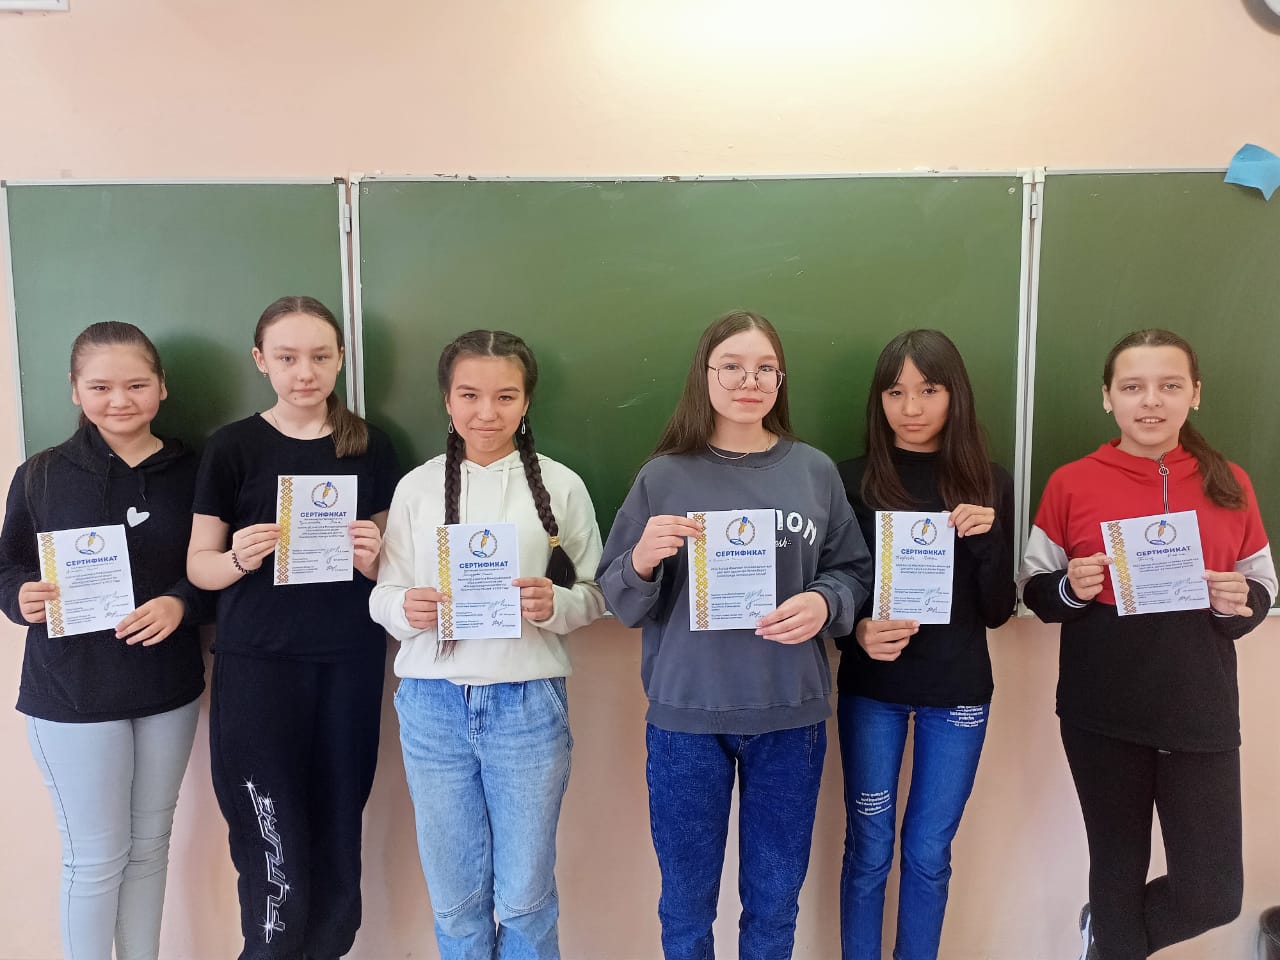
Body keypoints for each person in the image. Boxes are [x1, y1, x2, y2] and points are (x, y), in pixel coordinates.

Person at [597, 310, 872, 960]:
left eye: (765, 369)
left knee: (774, 904)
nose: (750, 381)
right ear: (705, 374)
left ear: (780, 379)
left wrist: (825, 601)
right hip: (687, 719)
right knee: (686, 907)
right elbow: (618, 598)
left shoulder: (814, 471)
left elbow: (854, 572)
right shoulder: (663, 476)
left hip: (789, 715)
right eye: (733, 367)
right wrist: (643, 559)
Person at [1019, 329, 1275, 960]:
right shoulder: (1072, 483)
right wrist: (1071, 587)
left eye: (1169, 385)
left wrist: (1240, 601)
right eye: (1132, 386)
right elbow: (1032, 586)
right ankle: (1110, 931)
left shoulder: (1231, 482)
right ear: (1108, 397)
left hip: (1199, 707)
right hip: (1101, 708)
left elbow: (1263, 585)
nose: (1151, 401)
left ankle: (1106, 937)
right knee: (1116, 871)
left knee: (1212, 893)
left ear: (1195, 394)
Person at [369, 329, 605, 960]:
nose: (487, 413)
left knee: (525, 899)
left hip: (527, 705)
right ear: (447, 400)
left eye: (506, 396)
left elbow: (596, 592)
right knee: (456, 901)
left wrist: (557, 605)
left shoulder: (562, 486)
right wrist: (406, 608)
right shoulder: (416, 488)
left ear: (526, 402)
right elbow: (383, 593)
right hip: (432, 706)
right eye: (469, 395)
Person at [186, 295, 400, 960]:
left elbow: (392, 570)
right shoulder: (232, 447)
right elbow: (198, 566)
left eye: (319, 356)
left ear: (340, 360)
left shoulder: (371, 445)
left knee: (339, 825)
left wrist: (375, 556)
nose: (304, 372)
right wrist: (236, 558)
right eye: (286, 357)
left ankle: (330, 948)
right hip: (258, 666)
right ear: (261, 361)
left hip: (348, 663)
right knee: (269, 836)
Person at [0, 321, 207, 960]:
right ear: (74, 390)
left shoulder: (197, 470)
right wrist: (20, 596)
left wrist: (183, 601)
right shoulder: (40, 475)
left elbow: (221, 566)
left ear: (162, 387)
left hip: (167, 686)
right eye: (100, 387)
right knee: (94, 857)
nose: (120, 400)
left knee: (149, 846)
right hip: (73, 691)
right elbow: (8, 565)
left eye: (137, 384)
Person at [834, 330, 1015, 960]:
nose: (910, 408)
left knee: (929, 853)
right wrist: (856, 630)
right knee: (868, 850)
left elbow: (998, 612)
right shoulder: (848, 481)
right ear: (879, 400)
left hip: (956, 695)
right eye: (895, 392)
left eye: (928, 390)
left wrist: (987, 539)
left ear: (954, 395)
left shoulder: (989, 482)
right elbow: (832, 588)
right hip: (872, 692)